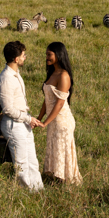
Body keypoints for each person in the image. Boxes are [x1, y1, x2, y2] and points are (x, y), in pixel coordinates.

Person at [0, 40, 44, 192]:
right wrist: (28, 118)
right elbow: (8, 109)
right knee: (21, 162)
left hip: (22, 121)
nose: (25, 58)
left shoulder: (15, 74)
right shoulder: (6, 79)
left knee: (32, 160)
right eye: (23, 55)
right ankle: (26, 191)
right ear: (16, 59)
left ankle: (38, 190)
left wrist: (27, 118)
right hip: (13, 124)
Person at [36, 41, 83, 185]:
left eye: (49, 55)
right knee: (55, 148)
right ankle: (57, 179)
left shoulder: (63, 75)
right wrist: (39, 118)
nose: (47, 58)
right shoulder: (52, 73)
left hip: (62, 120)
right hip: (53, 119)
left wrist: (45, 122)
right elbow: (47, 100)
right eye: (46, 55)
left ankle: (65, 181)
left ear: (58, 55)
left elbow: (60, 103)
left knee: (62, 149)